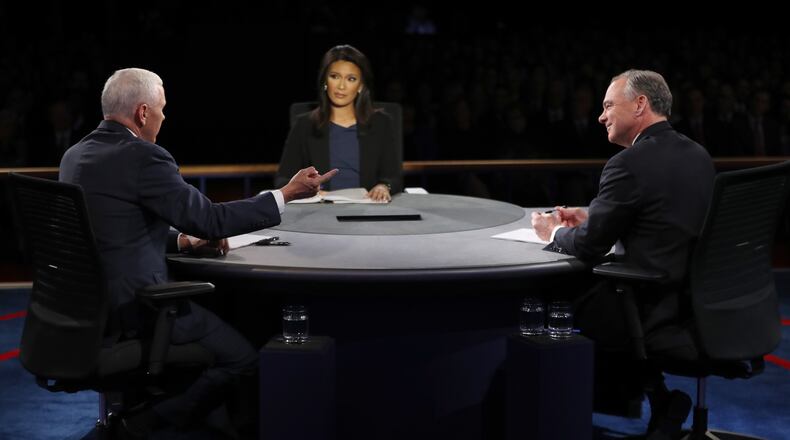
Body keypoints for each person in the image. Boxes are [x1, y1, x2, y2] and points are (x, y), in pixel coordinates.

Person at [59, 67, 337, 438]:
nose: (163, 117)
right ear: (143, 113)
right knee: (242, 358)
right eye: (162, 109)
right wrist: (285, 194)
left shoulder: (75, 156)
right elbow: (209, 219)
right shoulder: (144, 157)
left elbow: (114, 231)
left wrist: (183, 241)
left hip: (91, 313)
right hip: (139, 310)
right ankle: (140, 425)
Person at [531, 69, 715, 440]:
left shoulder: (627, 164)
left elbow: (587, 247)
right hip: (694, 303)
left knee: (553, 295)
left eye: (609, 105)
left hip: (648, 303)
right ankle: (659, 398)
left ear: (640, 104)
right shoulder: (697, 155)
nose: (601, 116)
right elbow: (661, 218)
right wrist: (592, 215)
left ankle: (547, 416)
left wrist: (555, 231)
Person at [275, 44, 402, 202]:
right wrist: (308, 190)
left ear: (361, 86)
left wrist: (384, 187)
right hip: (319, 211)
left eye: (351, 79)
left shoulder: (381, 123)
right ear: (325, 81)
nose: (341, 86)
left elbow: (394, 178)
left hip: (367, 211)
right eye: (335, 76)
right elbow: (283, 179)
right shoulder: (304, 125)